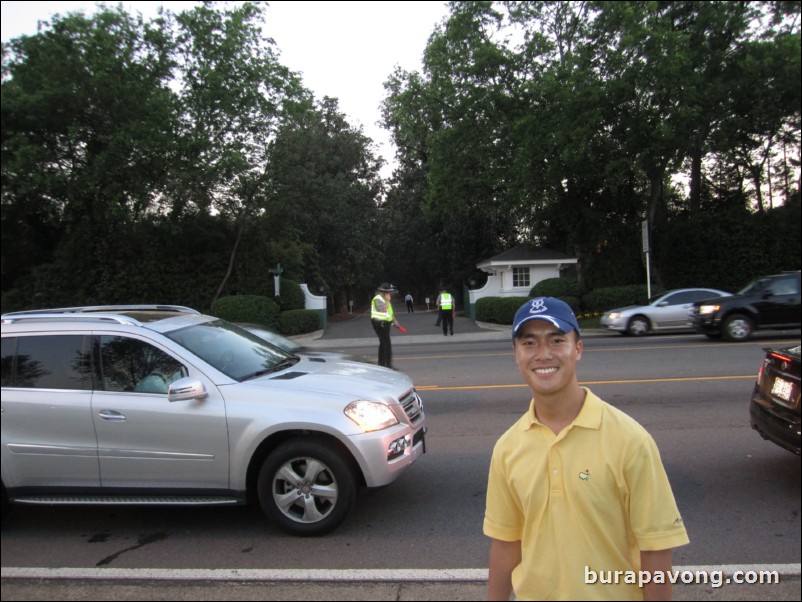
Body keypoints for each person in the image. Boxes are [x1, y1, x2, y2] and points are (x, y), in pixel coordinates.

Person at [484, 297, 689, 601]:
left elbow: (656, 550)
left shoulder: (630, 441)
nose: (543, 354)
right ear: (515, 353)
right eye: (529, 343)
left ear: (577, 348)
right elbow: (506, 543)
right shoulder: (508, 448)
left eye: (556, 340)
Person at [371, 282, 403, 369]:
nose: (390, 294)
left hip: (386, 324)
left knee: (384, 343)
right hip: (379, 323)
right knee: (386, 343)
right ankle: (387, 365)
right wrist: (388, 300)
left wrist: (395, 322)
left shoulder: (385, 300)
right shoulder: (377, 299)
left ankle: (382, 364)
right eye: (389, 292)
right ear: (384, 292)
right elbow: (383, 310)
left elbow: (390, 313)